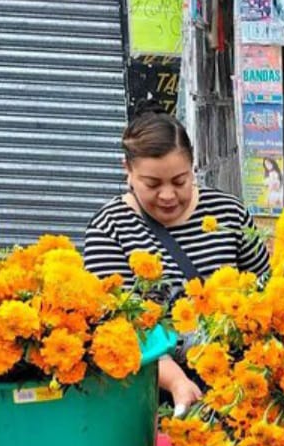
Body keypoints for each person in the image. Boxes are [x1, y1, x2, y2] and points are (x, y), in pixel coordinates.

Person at [84, 102, 270, 415]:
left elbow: (265, 289)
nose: (168, 195)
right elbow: (117, 325)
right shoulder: (109, 227)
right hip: (154, 391)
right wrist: (174, 380)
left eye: (180, 181)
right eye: (152, 184)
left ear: (192, 166)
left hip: (238, 384)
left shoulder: (229, 213)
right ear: (127, 170)